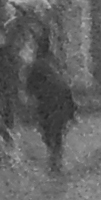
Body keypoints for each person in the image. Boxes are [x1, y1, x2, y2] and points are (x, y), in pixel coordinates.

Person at [24, 45, 77, 176]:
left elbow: (29, 88)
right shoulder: (54, 65)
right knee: (56, 132)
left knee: (47, 130)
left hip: (47, 103)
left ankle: (54, 159)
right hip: (59, 101)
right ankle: (56, 159)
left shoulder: (35, 66)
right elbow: (66, 86)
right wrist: (72, 112)